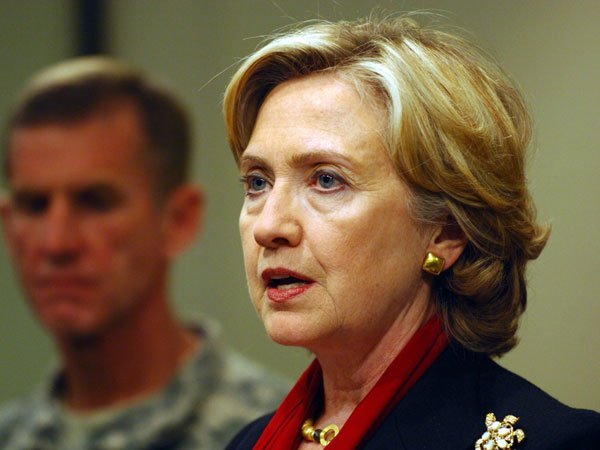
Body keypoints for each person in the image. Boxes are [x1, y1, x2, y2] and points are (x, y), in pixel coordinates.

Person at [222, 15, 600, 450]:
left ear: (446, 230)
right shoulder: (247, 441)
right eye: (258, 182)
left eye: (326, 180)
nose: (269, 226)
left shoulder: (557, 443)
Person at [0, 56, 289, 450]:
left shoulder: (277, 435)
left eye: (96, 202)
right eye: (34, 206)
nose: (56, 243)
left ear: (178, 219)